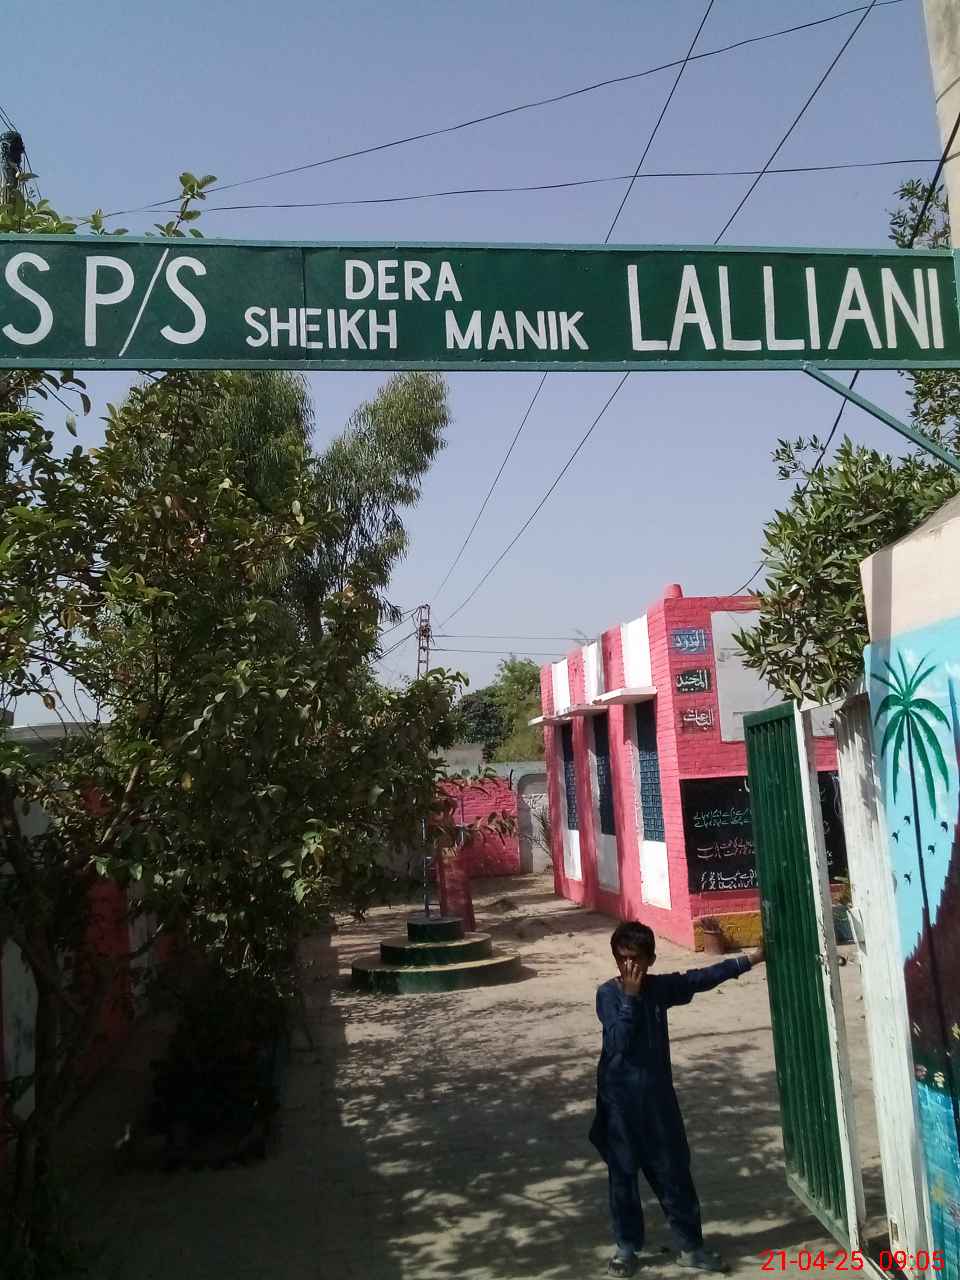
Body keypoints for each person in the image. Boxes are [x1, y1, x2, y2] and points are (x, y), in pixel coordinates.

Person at [589, 920, 765, 1277]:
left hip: (658, 1104)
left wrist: (753, 959)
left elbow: (700, 979)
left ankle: (690, 1247)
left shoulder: (659, 989)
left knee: (674, 1173)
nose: (628, 966)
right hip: (619, 1106)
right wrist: (630, 999)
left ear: (651, 960)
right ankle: (626, 1249)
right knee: (623, 1179)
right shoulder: (608, 995)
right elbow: (618, 1042)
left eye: (636, 959)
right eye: (622, 959)